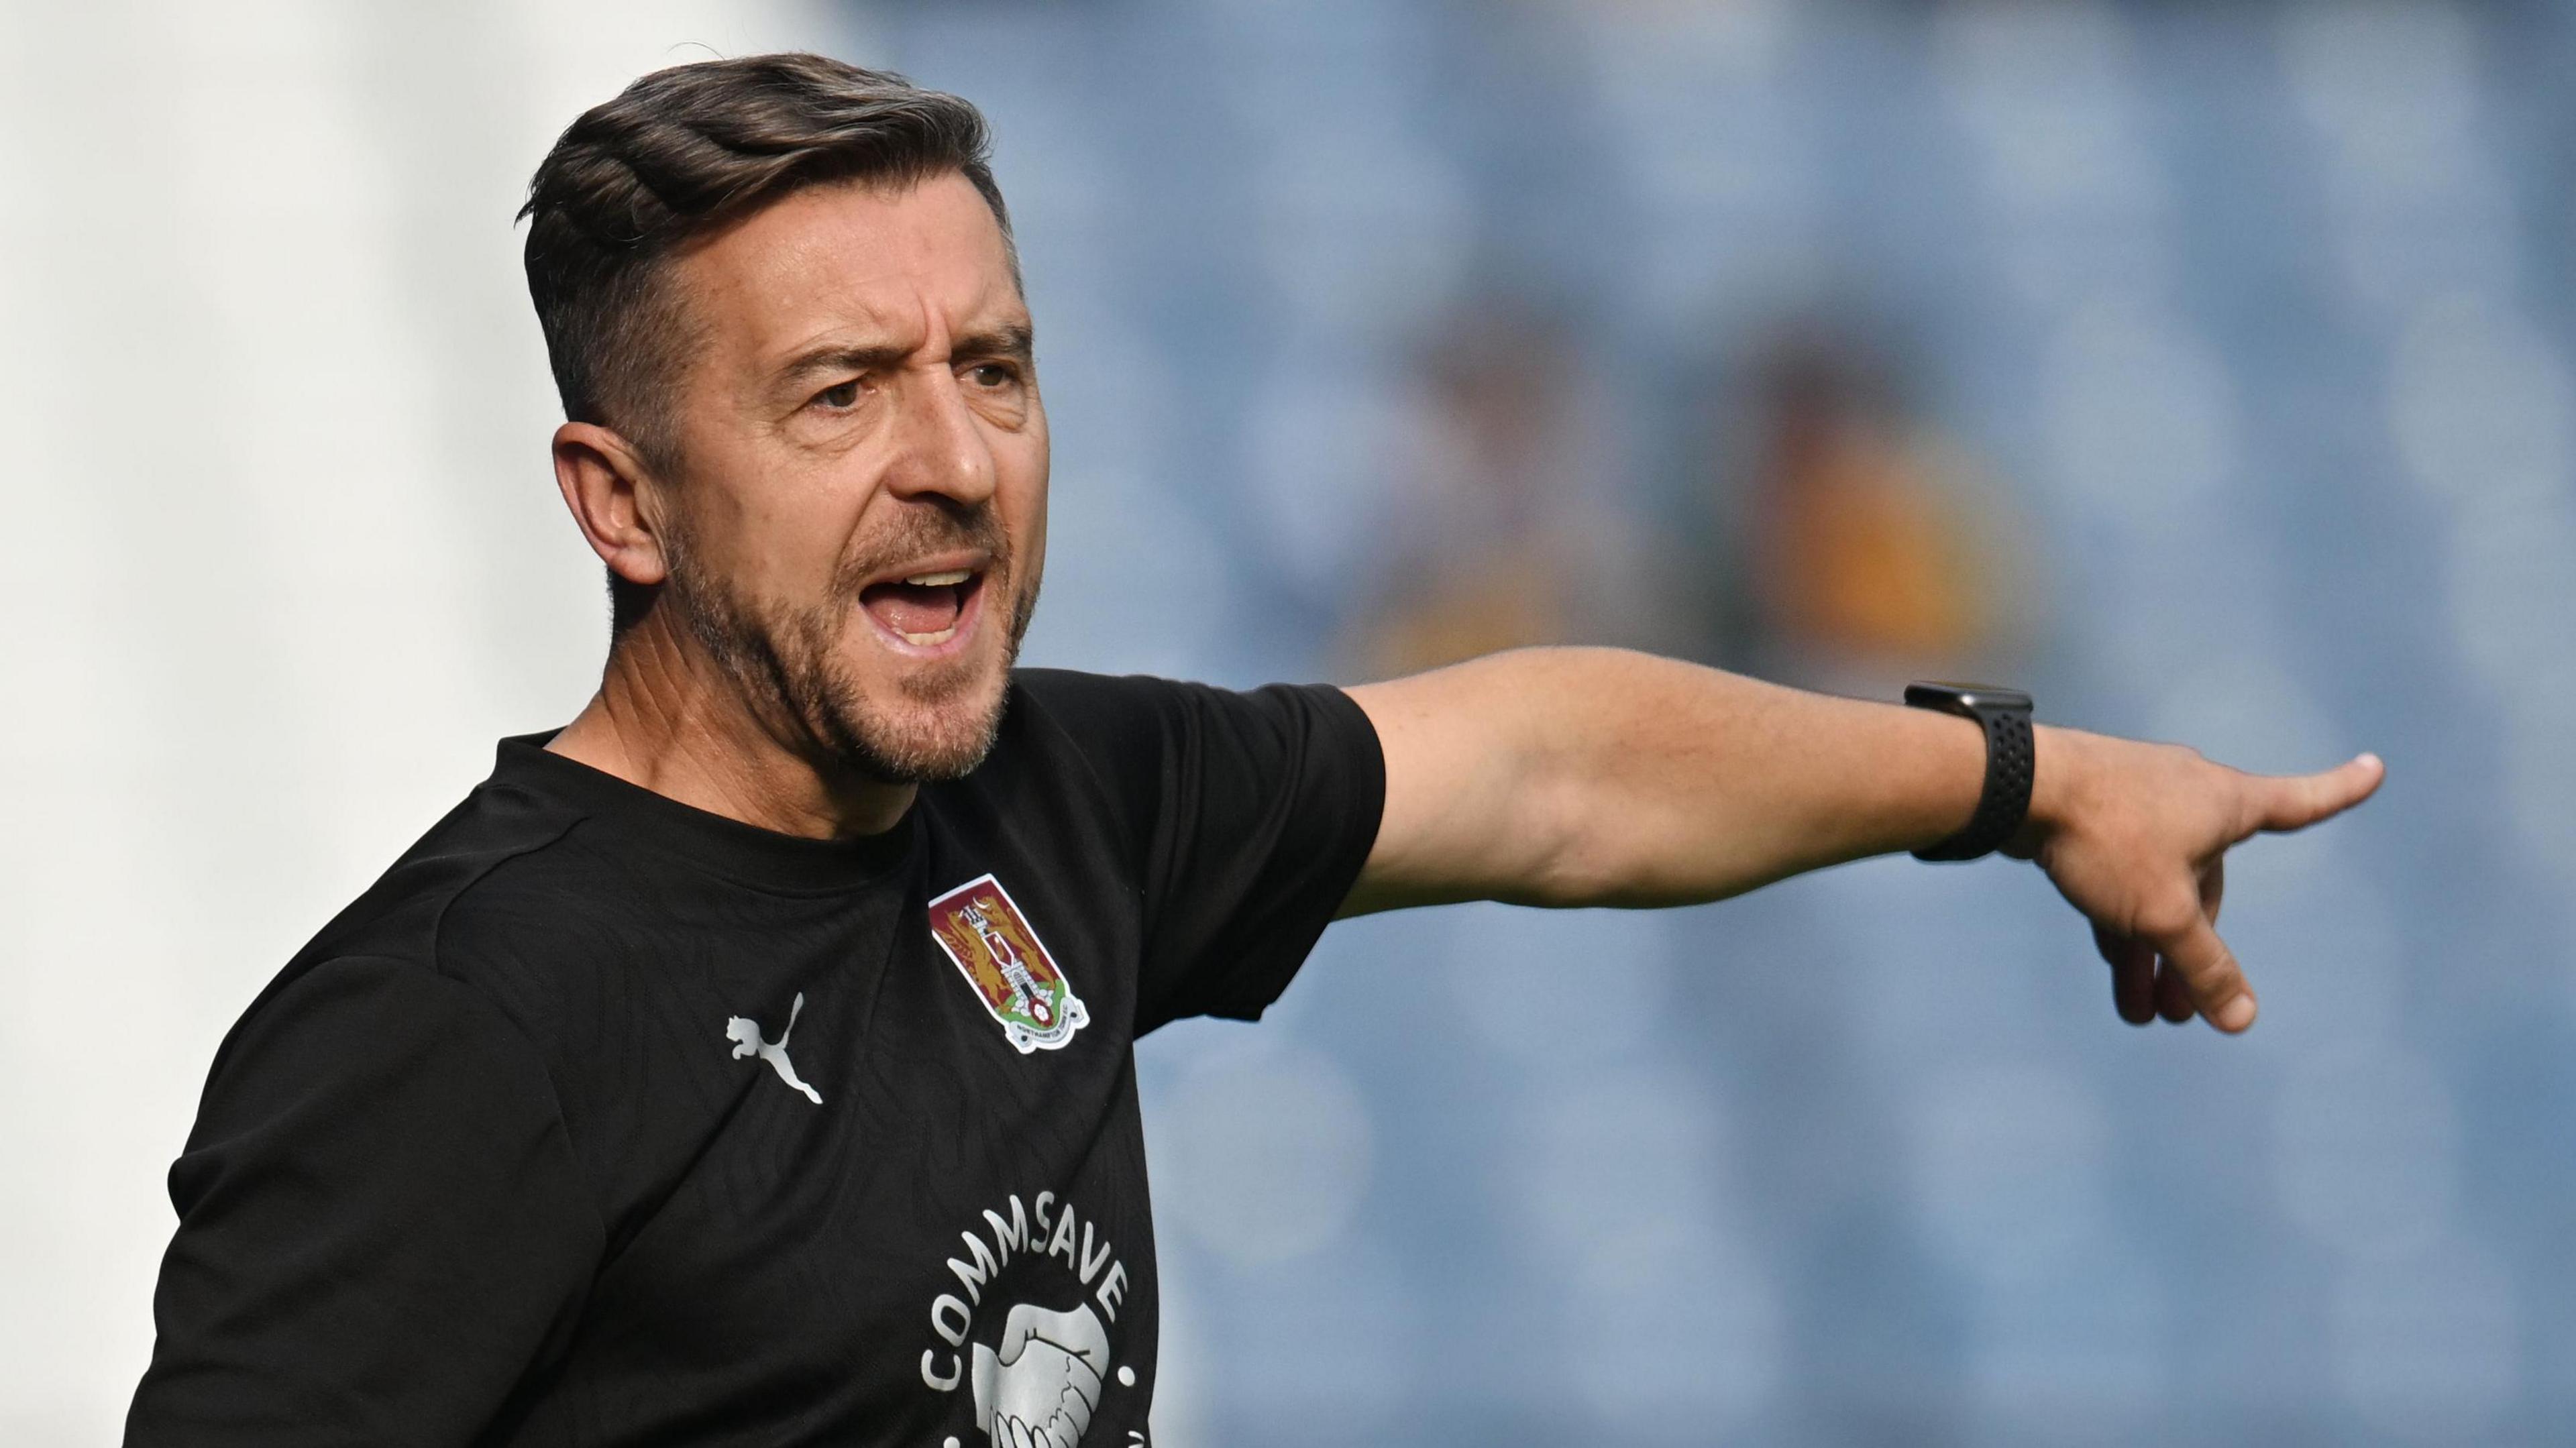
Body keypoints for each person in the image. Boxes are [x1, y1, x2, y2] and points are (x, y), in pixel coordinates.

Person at [123, 54, 2383, 1448]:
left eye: (992, 370)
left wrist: (2030, 781)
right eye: (840, 395)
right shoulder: (463, 1023)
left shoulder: (1062, 811)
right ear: (617, 498)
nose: (957, 460)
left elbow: (1556, 768)